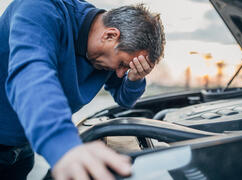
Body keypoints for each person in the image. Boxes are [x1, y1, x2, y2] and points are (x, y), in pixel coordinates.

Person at [0, 0, 165, 179]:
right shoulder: (39, 10)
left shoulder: (105, 55)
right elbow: (31, 75)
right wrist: (63, 145)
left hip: (23, 148)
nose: (120, 74)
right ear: (110, 36)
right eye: (123, 64)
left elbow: (124, 100)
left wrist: (134, 78)